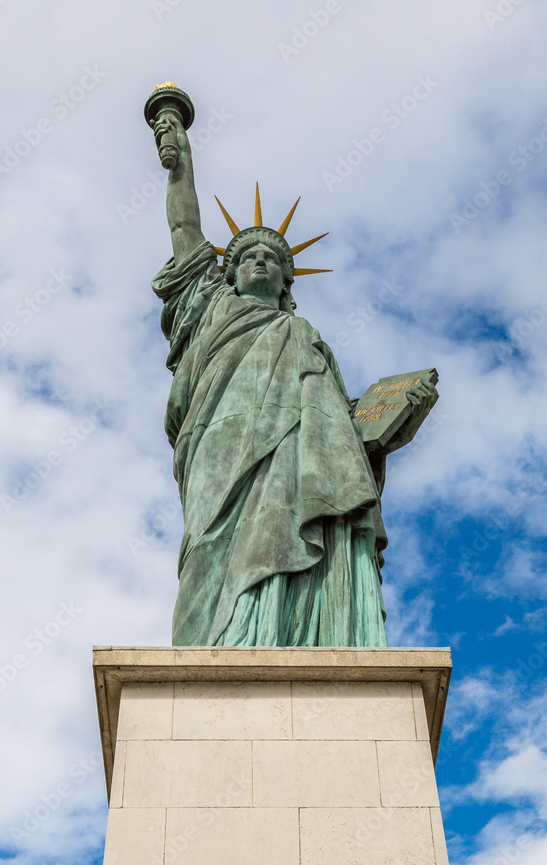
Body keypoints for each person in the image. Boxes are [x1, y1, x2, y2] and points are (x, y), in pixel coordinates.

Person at [151, 114, 437, 646]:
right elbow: (184, 231)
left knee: (290, 529)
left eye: (271, 259)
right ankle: (214, 646)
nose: (260, 261)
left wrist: (390, 422)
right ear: (229, 273)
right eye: (247, 257)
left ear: (286, 280)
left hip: (297, 457)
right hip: (219, 443)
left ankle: (290, 634)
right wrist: (179, 157)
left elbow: (341, 435)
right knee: (209, 546)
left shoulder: (303, 333)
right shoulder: (207, 306)